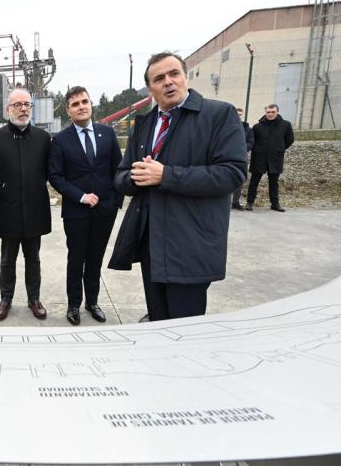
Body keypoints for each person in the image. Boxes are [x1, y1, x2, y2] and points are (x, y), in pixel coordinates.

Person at [108, 52, 247, 322]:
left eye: (174, 74)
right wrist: (136, 177)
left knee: (184, 327)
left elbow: (232, 173)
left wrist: (166, 176)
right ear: (150, 89)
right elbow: (121, 176)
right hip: (151, 241)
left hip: (191, 243)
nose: (168, 82)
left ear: (186, 77)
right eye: (159, 78)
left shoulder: (218, 114)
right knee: (158, 320)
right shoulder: (145, 124)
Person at [48, 86, 123, 326]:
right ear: (68, 111)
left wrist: (115, 202)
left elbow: (118, 169)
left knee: (95, 259)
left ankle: (92, 302)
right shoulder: (60, 140)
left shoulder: (107, 134)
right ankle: (74, 305)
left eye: (84, 102)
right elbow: (56, 176)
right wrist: (80, 196)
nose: (81, 106)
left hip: (105, 211)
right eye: (75, 104)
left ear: (91, 105)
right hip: (76, 212)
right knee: (76, 259)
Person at [0, 88, 52, 321]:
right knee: (7, 260)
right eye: (17, 105)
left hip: (35, 208)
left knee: (33, 259)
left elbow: (50, 171)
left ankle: (34, 299)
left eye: (27, 104)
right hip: (8, 210)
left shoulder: (43, 138)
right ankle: (6, 299)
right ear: (8, 109)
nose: (23, 109)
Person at [245, 104, 294, 212]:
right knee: (254, 181)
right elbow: (253, 141)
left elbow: (290, 139)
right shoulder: (257, 127)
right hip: (259, 157)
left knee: (274, 182)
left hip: (276, 157)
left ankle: (275, 204)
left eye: (273, 112)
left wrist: (280, 148)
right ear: (265, 112)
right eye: (268, 112)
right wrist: (258, 150)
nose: (270, 114)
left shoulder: (286, 125)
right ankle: (249, 202)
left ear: (277, 112)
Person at [231, 107, 255, 210]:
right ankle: (223, 202)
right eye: (236, 114)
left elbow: (251, 143)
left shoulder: (248, 129)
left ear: (242, 115)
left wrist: (240, 149)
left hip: (241, 157)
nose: (238, 116)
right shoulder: (226, 126)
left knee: (240, 178)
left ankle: (235, 202)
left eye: (240, 114)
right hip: (227, 156)